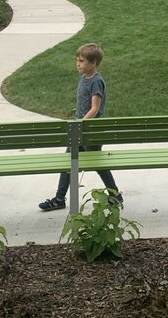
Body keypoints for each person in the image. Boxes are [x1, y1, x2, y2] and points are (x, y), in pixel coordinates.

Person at [39, 43, 121, 211]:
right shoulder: (84, 78)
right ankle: (59, 198)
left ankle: (115, 194)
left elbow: (95, 108)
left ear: (94, 63)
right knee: (68, 162)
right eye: (77, 60)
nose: (78, 64)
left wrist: (80, 122)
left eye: (82, 61)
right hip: (79, 128)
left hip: (90, 130)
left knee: (97, 164)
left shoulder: (96, 81)